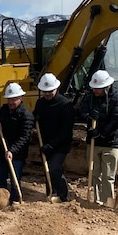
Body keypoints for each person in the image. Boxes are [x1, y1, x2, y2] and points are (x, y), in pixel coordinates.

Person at [79, 70, 118, 205]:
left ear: (106, 87)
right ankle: (97, 200)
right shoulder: (89, 97)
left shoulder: (116, 99)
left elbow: (116, 119)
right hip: (93, 141)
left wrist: (102, 132)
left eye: (98, 89)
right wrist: (88, 117)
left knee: (108, 176)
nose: (95, 91)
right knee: (94, 173)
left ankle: (108, 201)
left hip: (110, 142)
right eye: (94, 88)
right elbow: (81, 112)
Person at [33, 73, 75, 203]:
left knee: (55, 168)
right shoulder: (40, 103)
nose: (47, 94)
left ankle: (63, 196)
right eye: (44, 92)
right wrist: (34, 118)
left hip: (61, 144)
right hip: (45, 141)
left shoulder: (65, 105)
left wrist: (52, 144)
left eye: (50, 91)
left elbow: (66, 129)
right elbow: (35, 117)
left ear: (56, 88)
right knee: (47, 169)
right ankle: (51, 193)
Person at [0, 83, 35, 204]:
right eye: (9, 99)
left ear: (20, 98)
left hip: (17, 154)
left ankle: (14, 202)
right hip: (3, 150)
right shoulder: (4, 110)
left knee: (14, 180)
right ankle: (1, 203)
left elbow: (24, 137)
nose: (11, 102)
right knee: (1, 179)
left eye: (14, 99)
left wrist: (12, 150)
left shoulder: (26, 115)